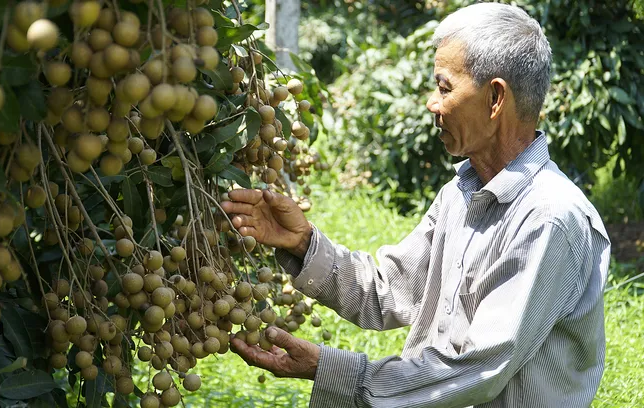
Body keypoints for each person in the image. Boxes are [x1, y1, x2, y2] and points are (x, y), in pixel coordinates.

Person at [221, 3, 611, 407]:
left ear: (495, 99)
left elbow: (473, 372)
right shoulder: (460, 195)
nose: (432, 103)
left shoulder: (549, 219)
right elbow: (388, 291)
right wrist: (301, 243)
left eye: (444, 87)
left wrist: (331, 369)